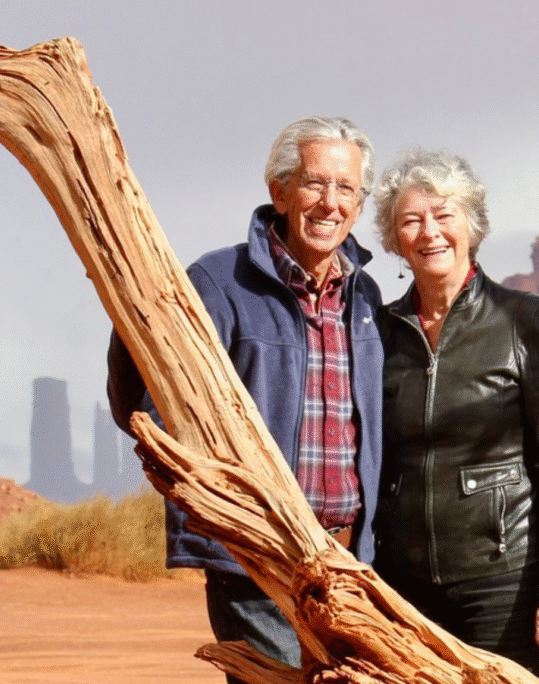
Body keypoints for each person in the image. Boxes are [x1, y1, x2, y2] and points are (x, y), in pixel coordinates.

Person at [106, 117, 383, 682]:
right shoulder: (218, 281)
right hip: (256, 554)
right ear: (278, 190)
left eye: (346, 188)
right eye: (314, 183)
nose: (330, 202)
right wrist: (209, 497)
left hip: (348, 560)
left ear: (359, 205)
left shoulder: (366, 295)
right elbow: (141, 390)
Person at [371, 149, 539, 678]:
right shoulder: (377, 330)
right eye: (411, 220)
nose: (430, 232)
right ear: (395, 240)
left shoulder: (526, 319)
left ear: (471, 226)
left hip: (503, 581)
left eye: (444, 215)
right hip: (401, 584)